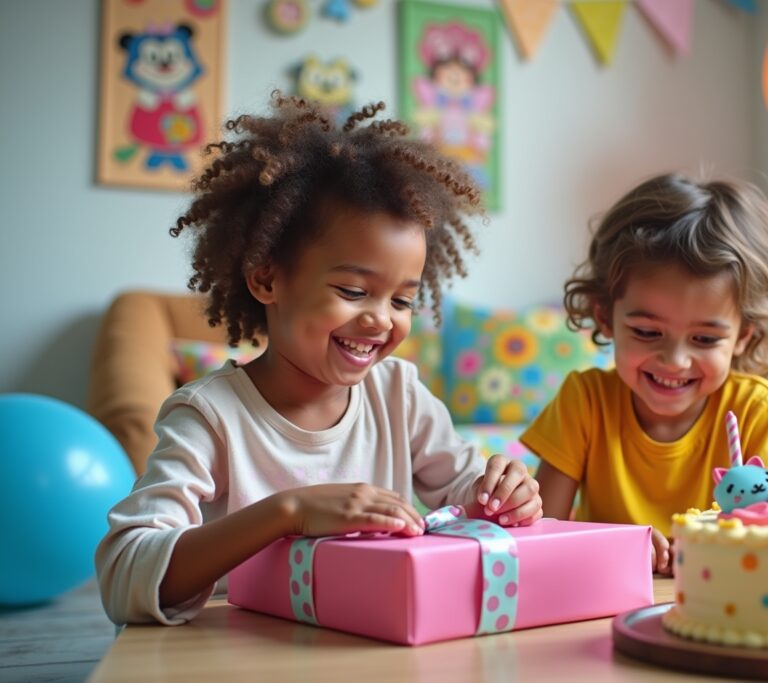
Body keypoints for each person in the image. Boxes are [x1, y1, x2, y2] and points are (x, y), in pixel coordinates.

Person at [96, 95, 542, 626]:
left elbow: (466, 489)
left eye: (401, 300)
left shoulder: (396, 392)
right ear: (266, 279)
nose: (381, 320)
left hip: (378, 641)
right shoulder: (209, 417)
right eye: (353, 291)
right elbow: (124, 576)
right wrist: (290, 512)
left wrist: (502, 493)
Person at [520, 173, 768, 575]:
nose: (675, 360)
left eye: (705, 339)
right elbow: (537, 537)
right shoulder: (584, 402)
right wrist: (620, 547)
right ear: (605, 316)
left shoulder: (761, 410)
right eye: (647, 332)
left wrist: (708, 548)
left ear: (743, 335)